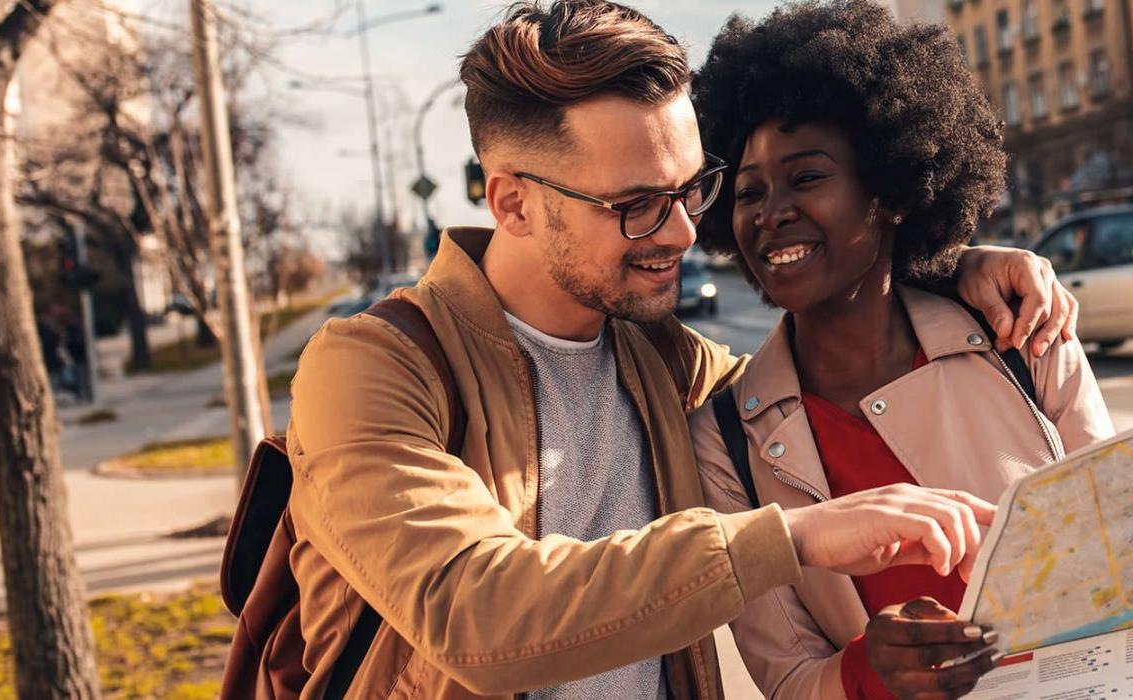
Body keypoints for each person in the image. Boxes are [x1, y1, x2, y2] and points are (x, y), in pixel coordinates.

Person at [273, 1, 1085, 697]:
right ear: (513, 203)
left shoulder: (663, 359)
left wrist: (948, 269)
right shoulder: (374, 366)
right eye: (636, 205)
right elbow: (474, 610)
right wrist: (792, 539)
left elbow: (826, 356)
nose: (685, 232)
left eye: (693, 188)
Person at [686, 3, 1133, 698]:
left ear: (892, 188)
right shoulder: (725, 435)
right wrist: (872, 670)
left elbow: (1122, 557)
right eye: (749, 192)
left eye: (807, 177)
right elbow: (788, 680)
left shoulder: (1021, 334)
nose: (770, 210)